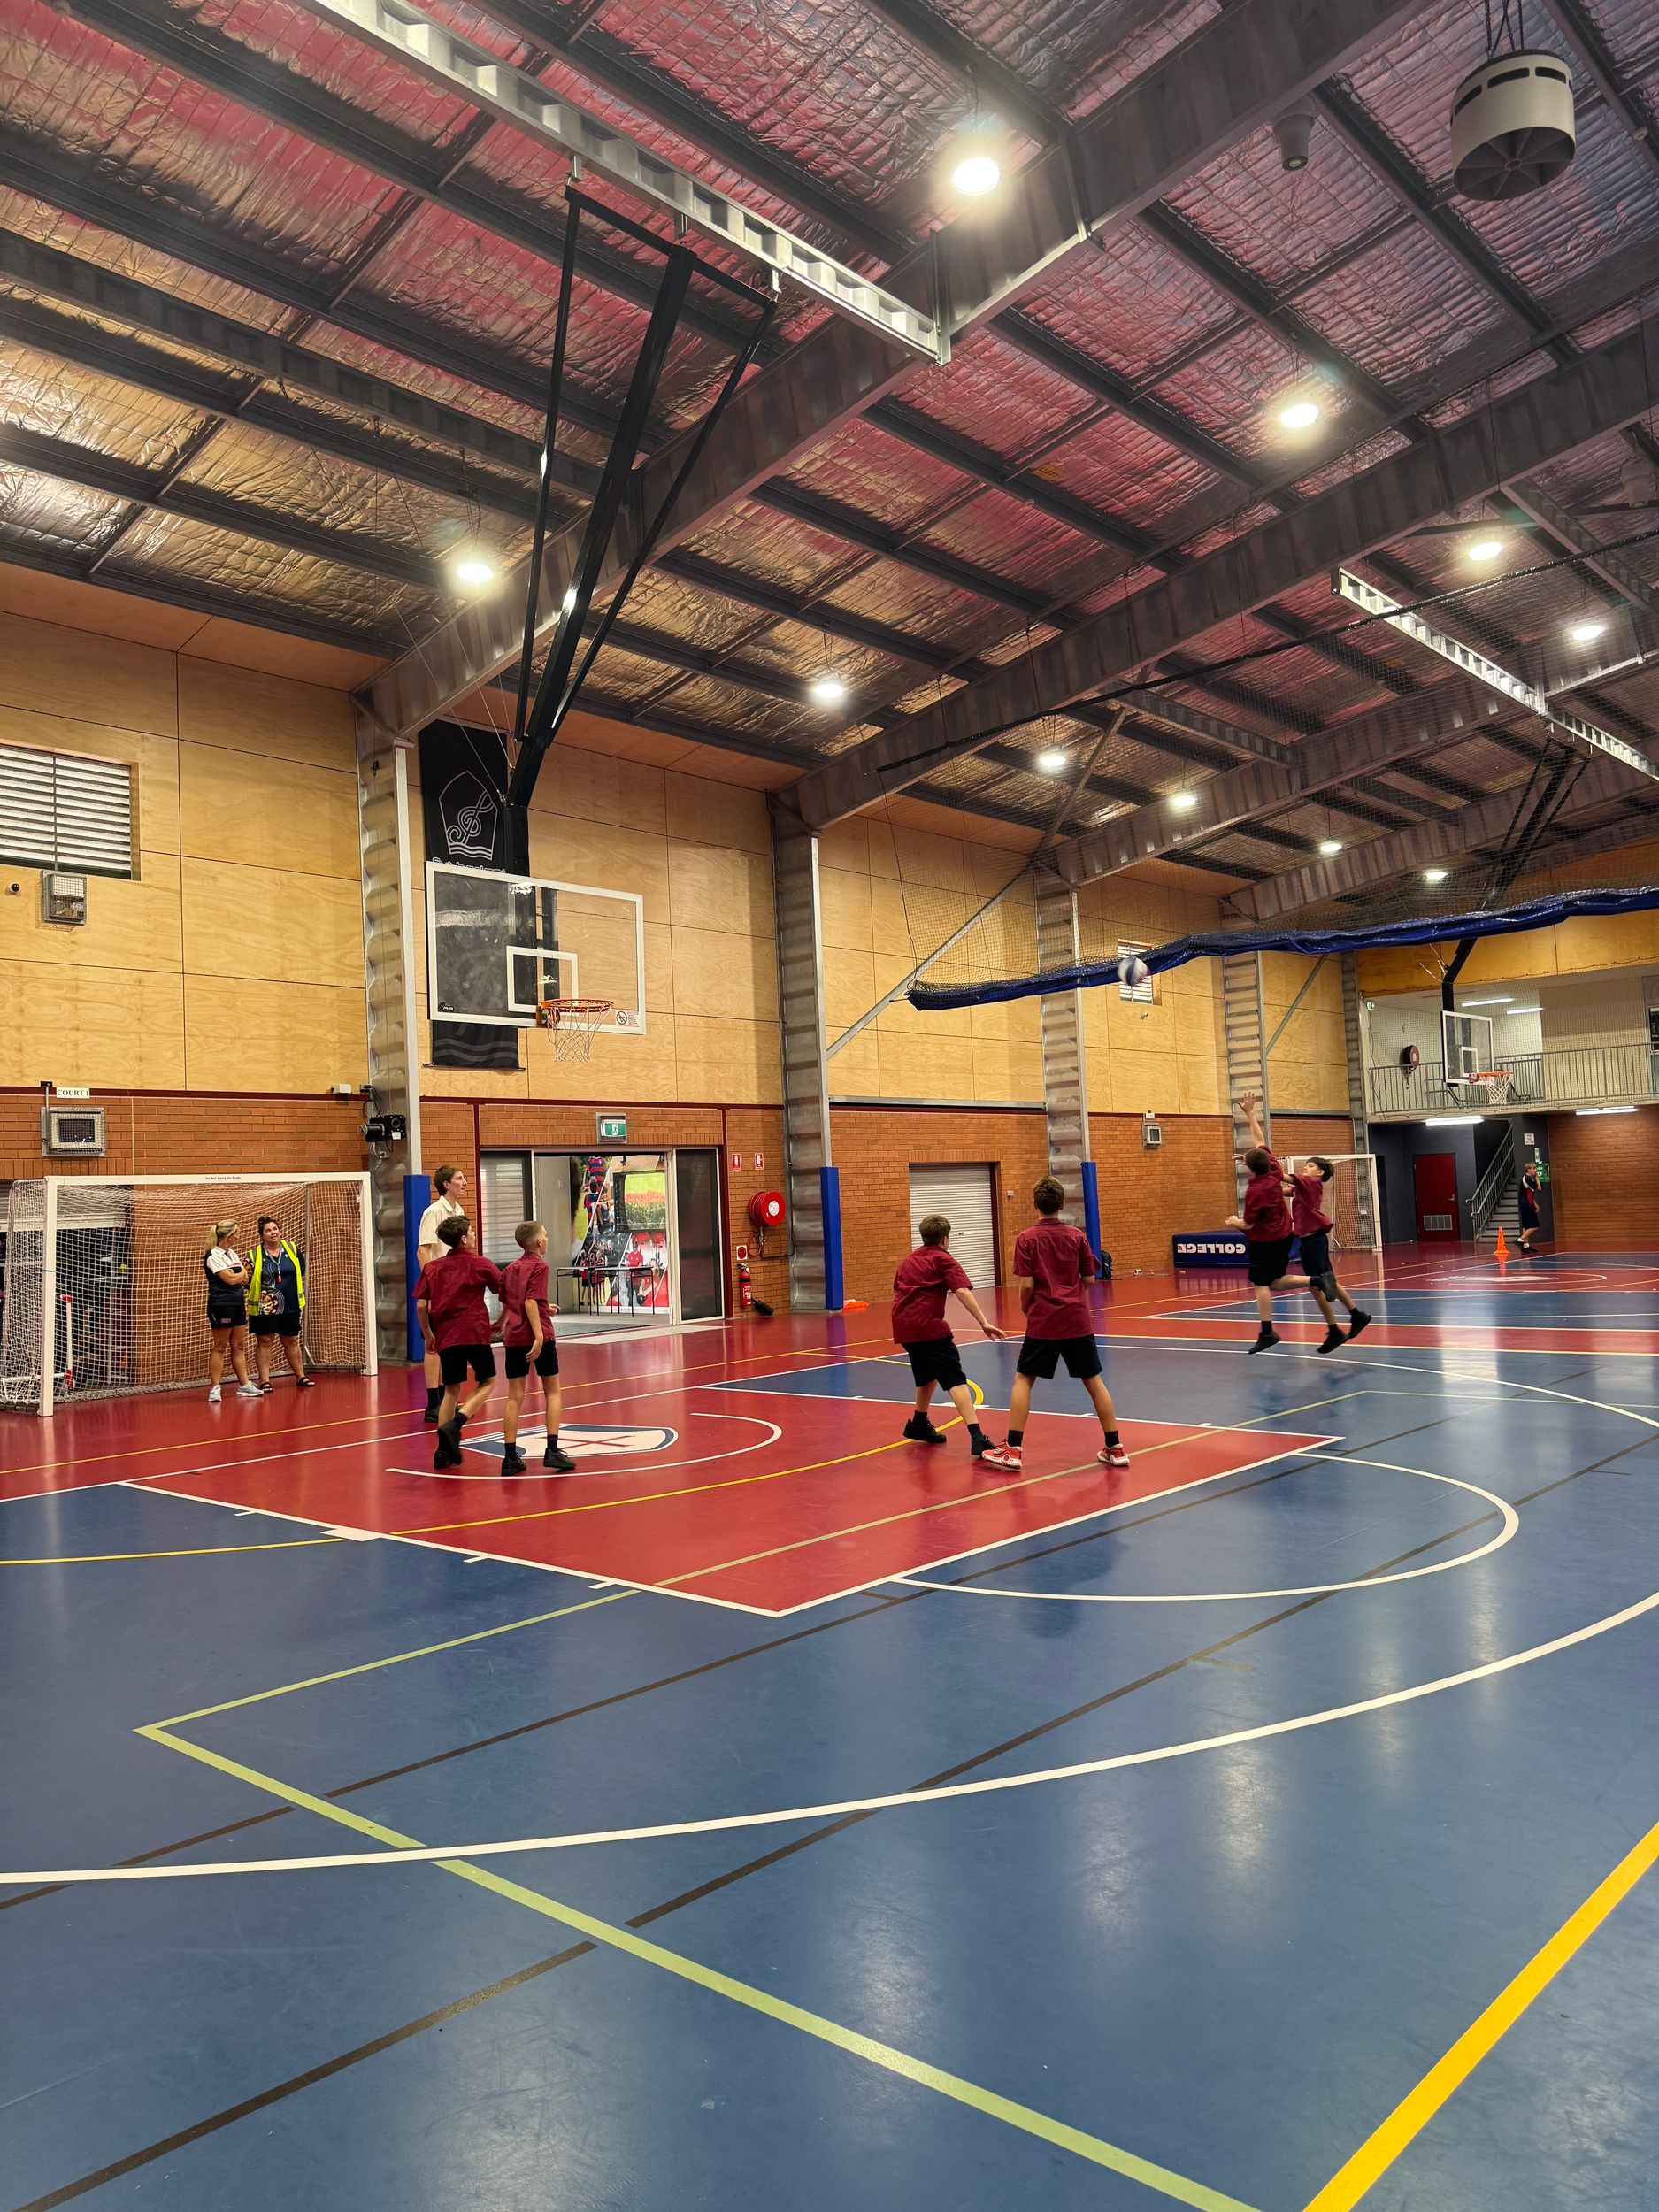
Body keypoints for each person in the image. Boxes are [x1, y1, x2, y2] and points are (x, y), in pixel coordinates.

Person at [981, 1177, 1129, 1473]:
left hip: (1044, 1321)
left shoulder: (1026, 1238)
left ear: (1034, 1204)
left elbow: (1026, 1285)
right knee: (1094, 1381)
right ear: (1062, 1204)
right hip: (1077, 1320)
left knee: (1024, 1379)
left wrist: (1027, 1306)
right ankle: (1115, 1447)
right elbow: (1089, 1279)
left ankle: (1013, 1448)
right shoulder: (1077, 1236)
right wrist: (1070, 1296)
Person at [1225, 1094, 1341, 1354]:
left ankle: (1267, 1331)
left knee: (1261, 1283)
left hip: (1266, 1241)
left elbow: (1248, 1224)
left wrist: (1234, 1221)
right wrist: (1250, 1113)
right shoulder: (1275, 1172)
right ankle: (1317, 1282)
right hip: (1285, 1235)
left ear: (1249, 1167)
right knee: (1276, 1282)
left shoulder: (1256, 1191)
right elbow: (1260, 1140)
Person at [891, 1213, 1006, 1456]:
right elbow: (962, 1291)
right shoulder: (944, 1260)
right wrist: (984, 1322)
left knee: (926, 1375)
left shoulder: (909, 1260)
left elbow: (898, 1289)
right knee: (955, 1380)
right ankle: (977, 1437)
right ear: (944, 1239)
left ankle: (919, 1424)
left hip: (904, 1328)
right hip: (928, 1328)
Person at [411, 1215, 501, 1469]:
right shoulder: (481, 1263)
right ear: (463, 1239)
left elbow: (421, 1305)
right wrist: (503, 1320)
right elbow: (504, 1291)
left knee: (451, 1390)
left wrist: (429, 1334)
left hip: (446, 1335)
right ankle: (456, 1423)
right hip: (475, 1332)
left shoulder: (432, 1268)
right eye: (471, 1232)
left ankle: (442, 1452)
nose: (474, 1235)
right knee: (488, 1382)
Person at [499, 1218, 575, 1474]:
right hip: (536, 1335)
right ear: (540, 1242)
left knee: (514, 1396)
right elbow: (530, 1302)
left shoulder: (510, 1268)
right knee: (552, 1391)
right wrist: (539, 1336)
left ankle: (510, 1457)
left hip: (514, 1338)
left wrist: (545, 1306)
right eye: (546, 1235)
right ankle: (552, 1450)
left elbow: (511, 1301)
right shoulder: (540, 1266)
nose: (547, 1239)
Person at [1288, 1158, 1371, 1351]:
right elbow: (1284, 1190)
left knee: (1321, 1283)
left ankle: (1343, 1325)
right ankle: (1351, 1319)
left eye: (1310, 1166)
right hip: (1308, 1241)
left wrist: (1263, 1164)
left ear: (1320, 1173)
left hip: (1314, 1241)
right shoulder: (1304, 1188)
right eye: (1306, 1165)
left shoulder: (1311, 1183)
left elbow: (1285, 1178)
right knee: (1321, 1283)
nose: (1305, 1167)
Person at [415, 1164, 469, 1423]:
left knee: (449, 1345)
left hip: (456, 1286)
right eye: (459, 1179)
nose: (465, 1183)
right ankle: (432, 1403)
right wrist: (432, 1286)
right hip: (439, 1285)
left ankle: (446, 1398)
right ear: (446, 1184)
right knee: (434, 1344)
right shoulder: (433, 1212)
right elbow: (423, 1251)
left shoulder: (459, 1211)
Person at [247, 1215, 315, 1391]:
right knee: (265, 1341)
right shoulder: (254, 1255)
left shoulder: (291, 1248)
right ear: (261, 1235)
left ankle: (300, 1376)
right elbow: (246, 1280)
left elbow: (301, 1269)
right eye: (268, 1230)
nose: (273, 1233)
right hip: (265, 1306)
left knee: (292, 1340)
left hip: (290, 1303)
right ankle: (265, 1381)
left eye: (275, 1229)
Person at [204, 1218, 261, 1402]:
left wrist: (239, 1275)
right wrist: (241, 1273)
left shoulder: (232, 1253)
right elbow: (231, 1279)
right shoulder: (213, 1255)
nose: (238, 1237)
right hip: (222, 1305)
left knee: (239, 1345)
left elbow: (244, 1279)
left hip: (238, 1304)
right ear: (229, 1236)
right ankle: (215, 1387)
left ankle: (244, 1385)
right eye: (236, 1234)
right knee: (220, 1345)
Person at [1517, 1160, 1544, 1252]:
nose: (1535, 1170)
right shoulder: (1527, 1179)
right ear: (1528, 1170)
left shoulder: (1528, 1179)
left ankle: (1526, 1246)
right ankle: (1521, 1240)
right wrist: (1536, 1177)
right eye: (1534, 1169)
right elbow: (1539, 1188)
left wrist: (1535, 1205)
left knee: (1526, 1226)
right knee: (1535, 1225)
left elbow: (1529, 1195)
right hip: (1526, 1205)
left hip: (1526, 1204)